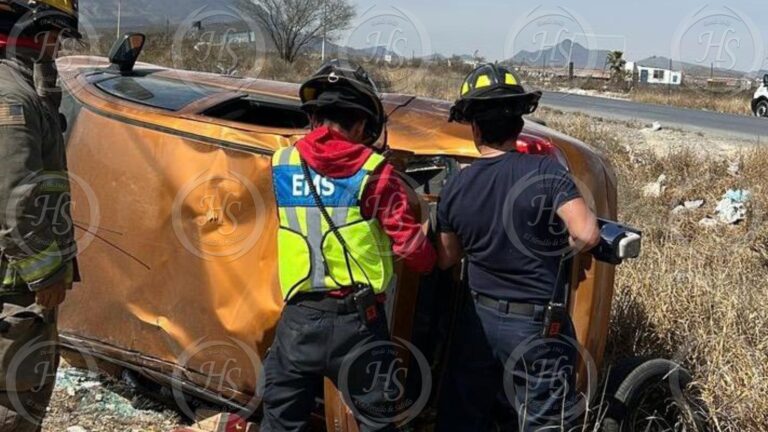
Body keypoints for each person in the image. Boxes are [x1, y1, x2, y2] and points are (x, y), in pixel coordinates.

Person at [262, 59, 436, 432]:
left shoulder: (282, 163)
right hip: (359, 323)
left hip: (298, 320)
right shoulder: (377, 174)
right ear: (361, 124)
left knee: (280, 421)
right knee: (377, 422)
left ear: (314, 118)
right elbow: (415, 255)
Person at [435, 64, 600, 432]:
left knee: (464, 416)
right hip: (535, 327)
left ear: (475, 128)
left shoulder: (456, 187)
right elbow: (588, 235)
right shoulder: (546, 173)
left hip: (478, 321)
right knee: (542, 420)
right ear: (519, 125)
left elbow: (446, 257)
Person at [0, 1, 80, 430]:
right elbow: (16, 195)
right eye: (55, 37)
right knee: (15, 399)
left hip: (16, 282)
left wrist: (45, 76)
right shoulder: (10, 96)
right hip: (15, 288)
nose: (58, 47)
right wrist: (46, 273)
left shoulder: (18, 85)